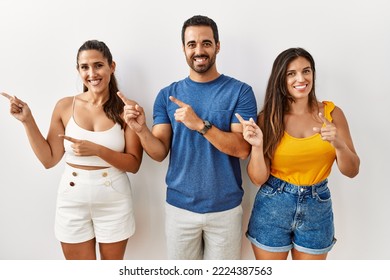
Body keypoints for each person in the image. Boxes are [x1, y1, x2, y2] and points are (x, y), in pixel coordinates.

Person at [118, 15, 257, 259]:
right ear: (183, 49)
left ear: (217, 46)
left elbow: (242, 149)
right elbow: (159, 152)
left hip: (225, 209)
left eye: (206, 43)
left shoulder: (240, 92)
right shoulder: (167, 95)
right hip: (179, 209)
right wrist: (141, 130)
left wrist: (201, 125)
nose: (199, 50)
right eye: (192, 44)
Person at [1, 40, 143, 260]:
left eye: (98, 65)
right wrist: (27, 121)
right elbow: (49, 159)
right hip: (72, 199)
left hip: (114, 200)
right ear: (78, 70)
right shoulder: (65, 106)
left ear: (111, 66)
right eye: (84, 67)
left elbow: (134, 164)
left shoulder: (127, 108)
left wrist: (96, 149)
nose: (91, 73)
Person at [236, 47, 360, 260]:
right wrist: (257, 146)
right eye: (291, 73)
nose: (301, 78)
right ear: (281, 79)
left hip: (317, 208)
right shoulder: (269, 119)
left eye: (306, 71)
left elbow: (352, 171)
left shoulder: (333, 114)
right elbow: (258, 179)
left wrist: (338, 143)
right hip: (273, 206)